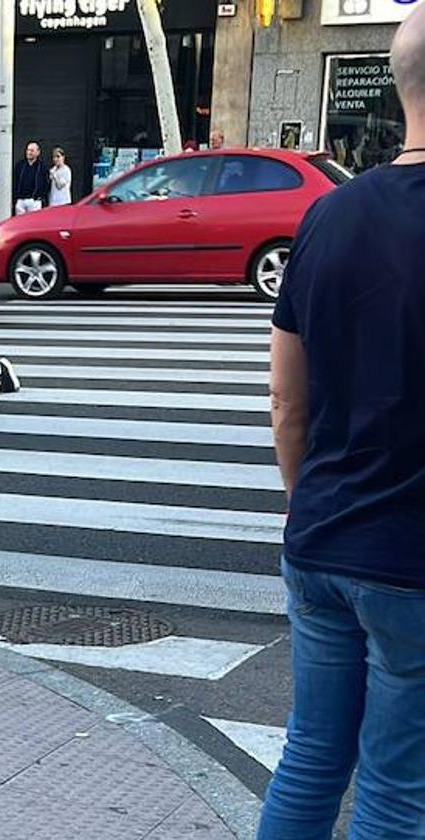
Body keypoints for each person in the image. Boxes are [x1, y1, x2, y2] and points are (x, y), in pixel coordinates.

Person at [258, 7, 425, 839]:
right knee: (398, 789)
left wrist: (301, 501)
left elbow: (287, 399)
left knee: (312, 758)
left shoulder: (330, 214)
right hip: (411, 558)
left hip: (321, 537)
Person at [13, 141, 48, 214]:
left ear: (38, 152)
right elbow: (14, 181)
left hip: (34, 201)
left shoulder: (42, 167)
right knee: (20, 223)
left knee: (34, 224)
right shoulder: (20, 165)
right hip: (21, 201)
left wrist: (40, 197)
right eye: (28, 150)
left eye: (32, 150)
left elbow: (46, 184)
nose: (29, 152)